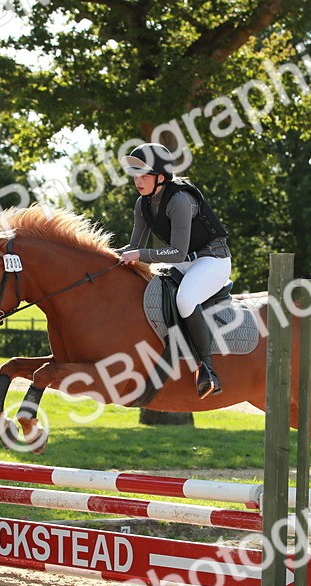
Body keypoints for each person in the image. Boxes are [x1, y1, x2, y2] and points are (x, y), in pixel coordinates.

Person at [117, 142, 232, 399]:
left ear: (161, 177)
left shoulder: (179, 199)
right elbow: (134, 247)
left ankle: (207, 370)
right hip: (182, 262)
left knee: (185, 298)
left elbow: (175, 252)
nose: (138, 180)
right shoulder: (143, 204)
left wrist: (139, 255)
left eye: (144, 175)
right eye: (135, 175)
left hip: (212, 260)